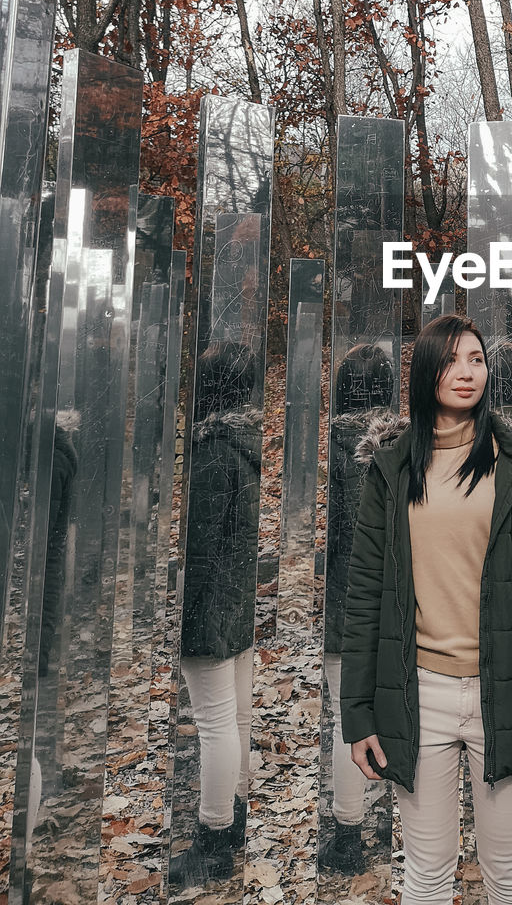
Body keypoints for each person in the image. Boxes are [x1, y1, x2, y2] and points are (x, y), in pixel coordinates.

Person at [339, 314, 512, 905]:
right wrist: (359, 711)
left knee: (511, 875)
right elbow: (364, 593)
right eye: (451, 360)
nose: (466, 372)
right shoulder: (392, 468)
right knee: (424, 875)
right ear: (426, 372)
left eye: (476, 359)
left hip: (510, 694)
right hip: (418, 695)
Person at [169, 341, 261, 889]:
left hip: (209, 608)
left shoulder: (211, 452)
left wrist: (180, 614)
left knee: (214, 724)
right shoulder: (244, 443)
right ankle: (236, 814)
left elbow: (198, 548)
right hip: (239, 601)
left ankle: (214, 837)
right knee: (237, 720)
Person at [318, 342, 396, 875]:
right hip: (398, 608)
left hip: (345, 606)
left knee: (350, 718)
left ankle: (347, 834)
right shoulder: (406, 446)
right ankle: (393, 821)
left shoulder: (332, 451)